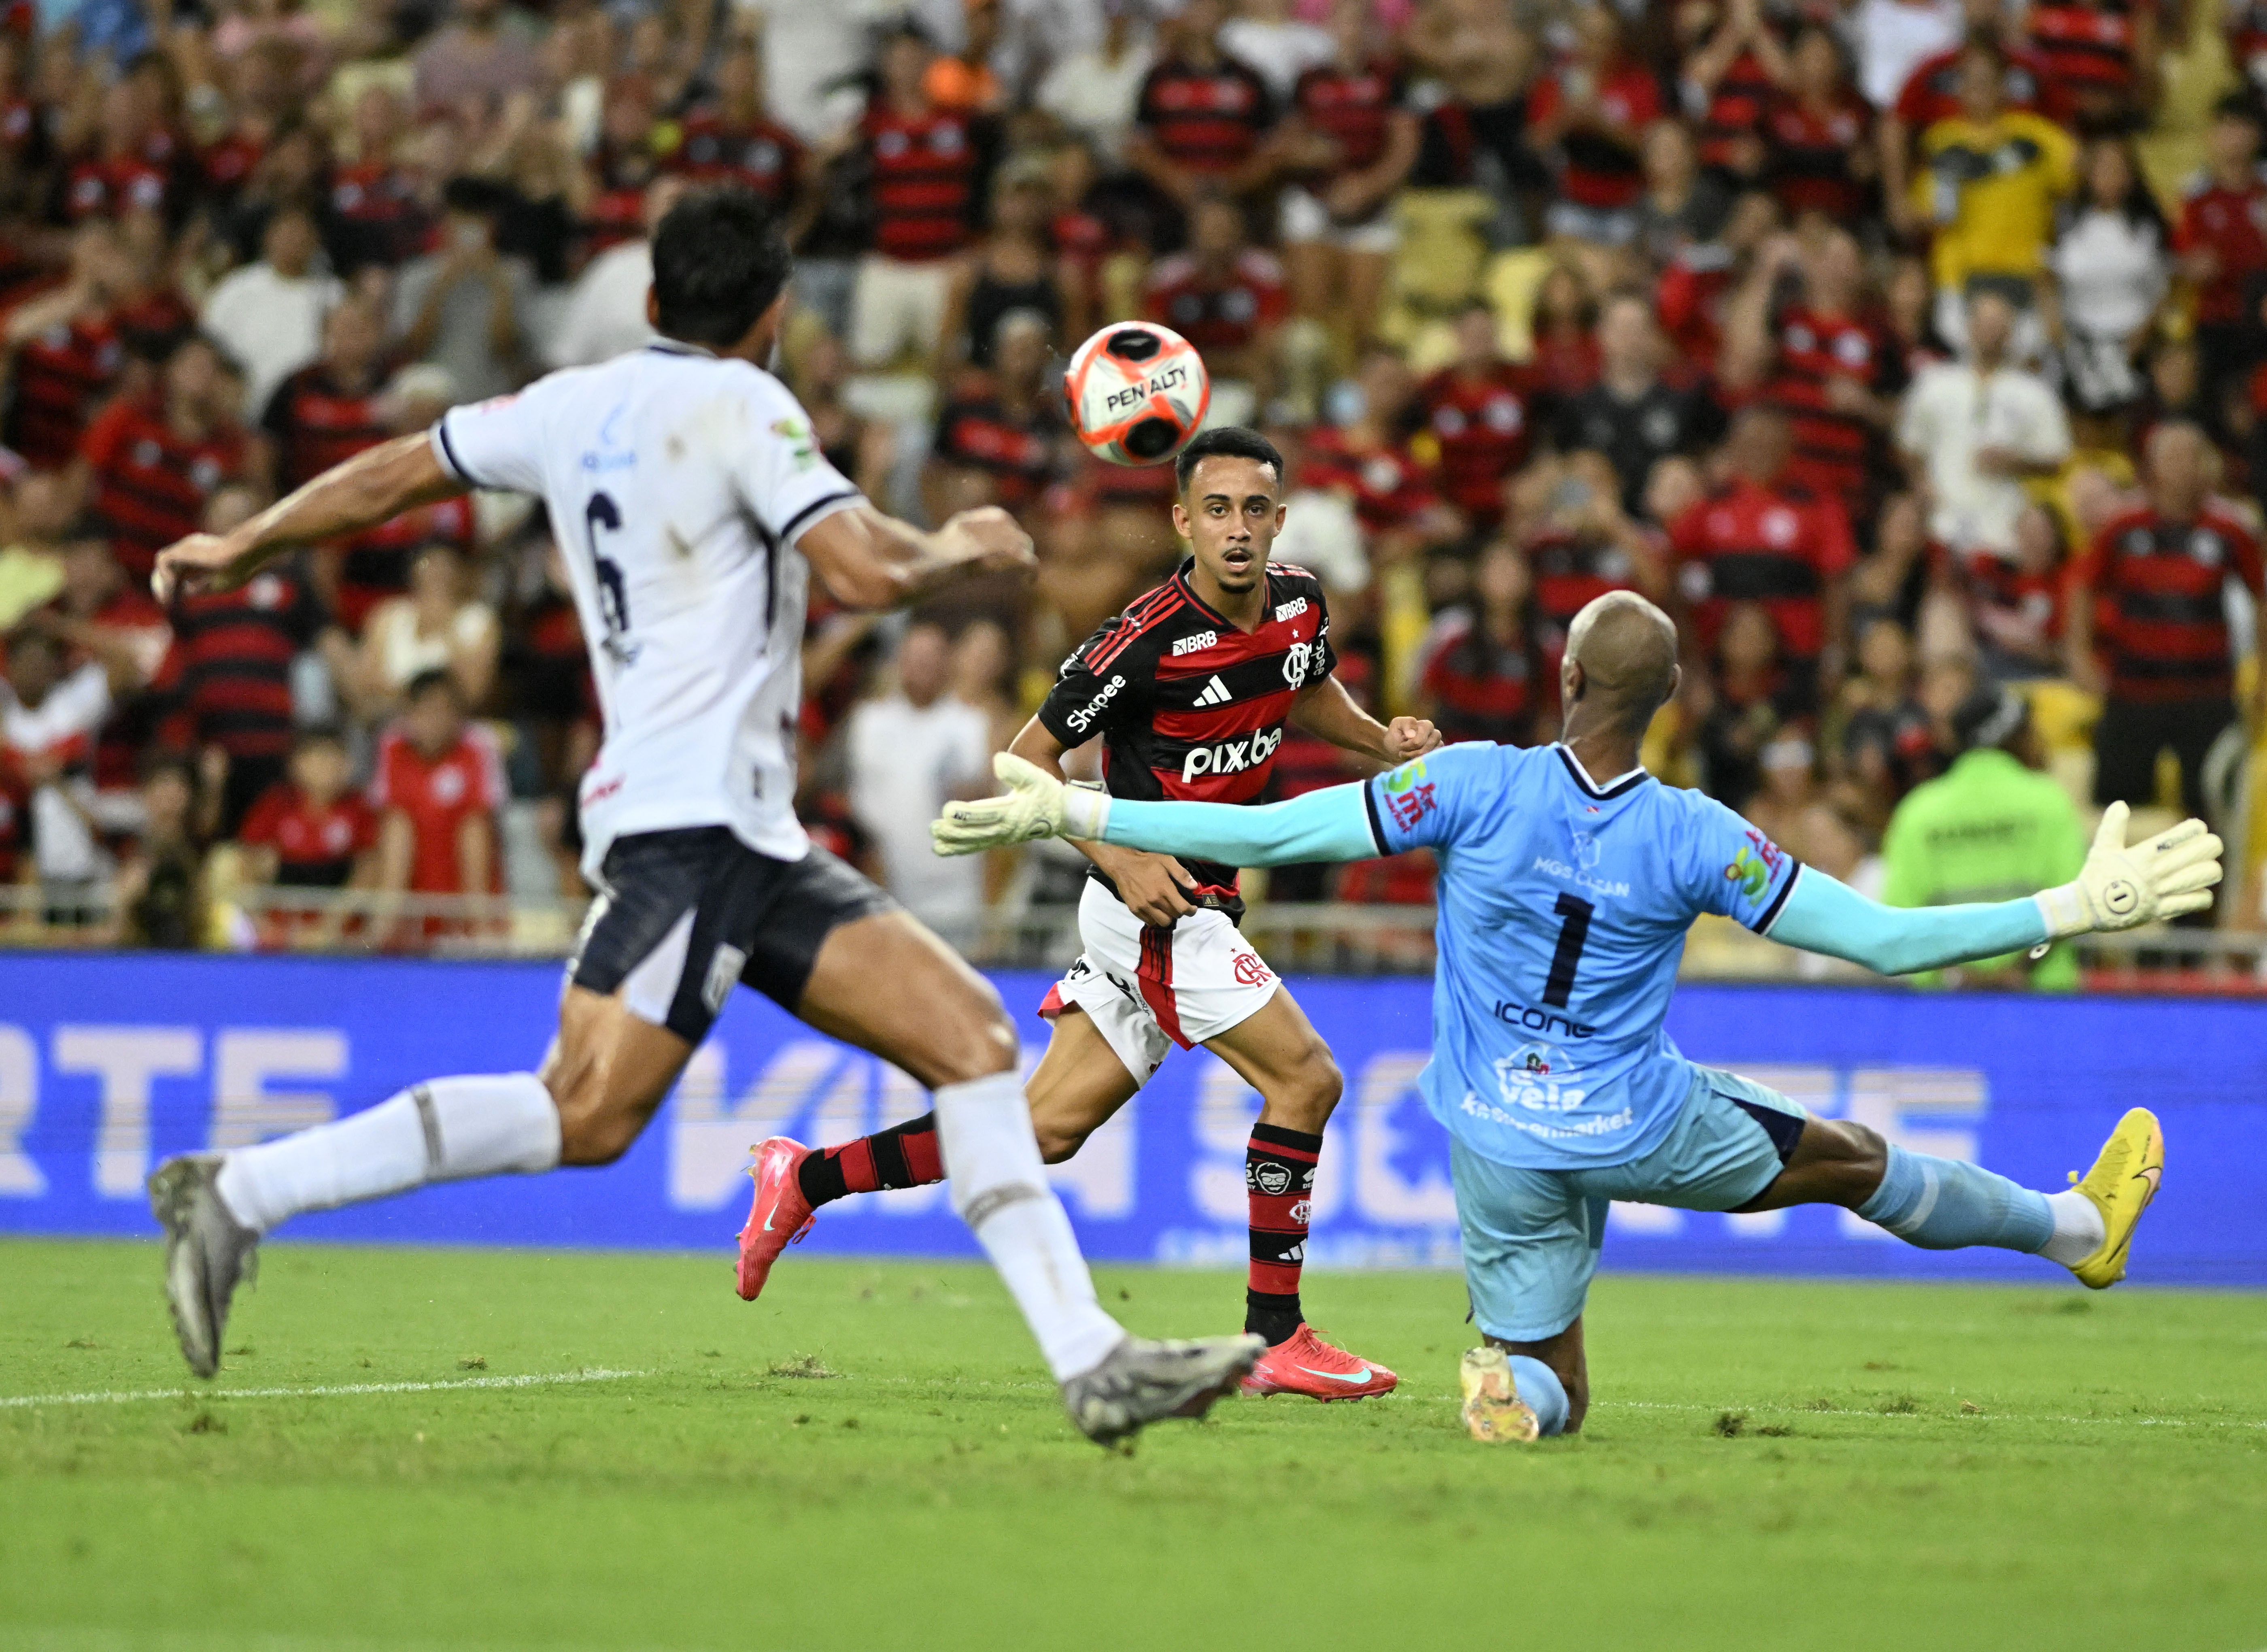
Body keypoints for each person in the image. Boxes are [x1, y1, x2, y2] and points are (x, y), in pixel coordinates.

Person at [142, 187, 1255, 1449]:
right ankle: (239, 1188)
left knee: (969, 1043)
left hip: (751, 837)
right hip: (690, 828)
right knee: (585, 1111)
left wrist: (245, 543)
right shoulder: (746, 405)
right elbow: (862, 570)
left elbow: (400, 471)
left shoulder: (568, 404)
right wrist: (956, 547)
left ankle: (1091, 1360)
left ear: (656, 302)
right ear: (775, 314)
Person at [936, 589, 2218, 1441]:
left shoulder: (1467, 787)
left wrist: (1077, 810)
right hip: (1641, 1118)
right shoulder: (1696, 835)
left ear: (1559, 676)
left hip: (1491, 1135)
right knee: (1852, 1159)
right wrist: (2068, 903)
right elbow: (1887, 943)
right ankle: (2074, 1227)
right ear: (1664, 699)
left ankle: (1519, 1392)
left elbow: (1263, 827)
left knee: (1561, 1377)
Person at [741, 427, 1438, 1401]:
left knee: (1044, 1130)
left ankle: (806, 1176)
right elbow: (1026, 761)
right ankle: (1274, 1335)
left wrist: (1377, 741)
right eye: (1218, 510)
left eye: (1255, 510)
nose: (1238, 530)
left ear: (1278, 520)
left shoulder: (1300, 602)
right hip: (1150, 906)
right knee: (1307, 1080)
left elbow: (1302, 686)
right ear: (1182, 520)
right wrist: (1121, 853)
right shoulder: (1144, 636)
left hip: (1199, 901)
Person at [2065, 420, 2266, 833]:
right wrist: (2079, 655)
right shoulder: (2123, 527)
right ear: (2152, 467)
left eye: (2193, 456)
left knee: (2212, 811)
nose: (2184, 466)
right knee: (2118, 811)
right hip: (2132, 693)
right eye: (2172, 457)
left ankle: (2209, 898)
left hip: (2207, 695)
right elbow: (2082, 586)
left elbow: (2261, 595)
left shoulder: (2230, 529)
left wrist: (2264, 673)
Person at [1880, 685, 2087, 988]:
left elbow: (1900, 912)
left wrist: (1958, 975)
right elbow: (2073, 901)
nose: (2037, 740)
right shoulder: (2049, 801)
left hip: (1943, 1004)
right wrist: (2016, 972)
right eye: (2028, 730)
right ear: (2010, 737)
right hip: (2042, 999)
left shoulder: (1918, 811)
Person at [843, 619, 993, 941]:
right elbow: (862, 805)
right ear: (899, 663)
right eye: (916, 658)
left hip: (958, 894)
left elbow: (989, 805)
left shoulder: (972, 724)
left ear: (947, 663)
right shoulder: (870, 723)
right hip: (889, 887)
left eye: (932, 658)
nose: (924, 667)